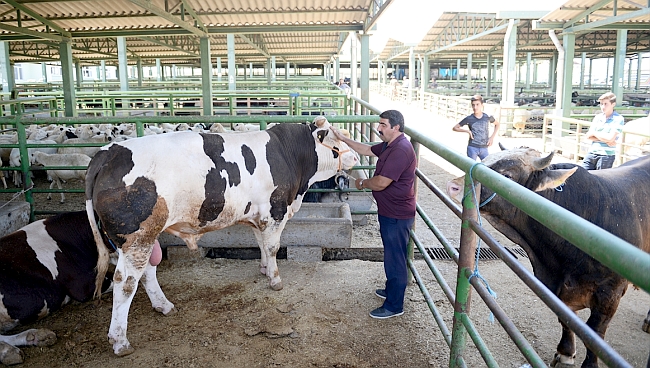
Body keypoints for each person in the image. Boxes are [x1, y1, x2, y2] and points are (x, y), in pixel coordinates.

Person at [330, 110, 416, 319]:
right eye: (380, 124)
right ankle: (391, 290)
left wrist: (360, 183)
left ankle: (394, 306)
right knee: (391, 254)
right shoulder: (390, 145)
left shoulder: (401, 150)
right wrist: (343, 139)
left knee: (395, 257)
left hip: (397, 213)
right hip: (390, 211)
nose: (379, 128)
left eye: (383, 125)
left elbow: (381, 182)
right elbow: (367, 149)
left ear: (396, 127)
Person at [580, 91, 625, 170]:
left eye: (606, 104)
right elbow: (589, 136)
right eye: (601, 104)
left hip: (606, 155)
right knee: (583, 177)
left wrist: (595, 133)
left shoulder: (618, 119)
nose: (603, 106)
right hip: (592, 152)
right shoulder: (598, 117)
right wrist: (606, 139)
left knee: (600, 180)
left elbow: (610, 138)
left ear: (613, 104)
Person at [452, 94, 500, 161]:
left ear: (482, 105)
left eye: (477, 104)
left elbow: (497, 124)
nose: (475, 107)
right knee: (471, 167)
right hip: (472, 147)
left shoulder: (487, 117)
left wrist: (491, 138)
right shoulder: (469, 118)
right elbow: (455, 128)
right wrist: (467, 131)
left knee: (487, 167)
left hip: (484, 147)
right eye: (473, 105)